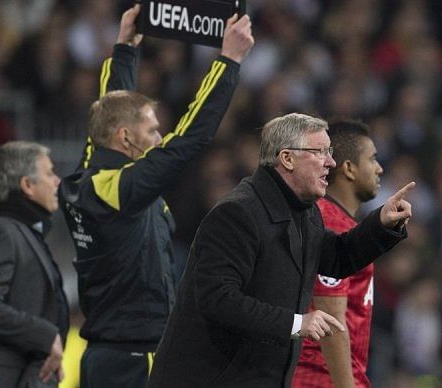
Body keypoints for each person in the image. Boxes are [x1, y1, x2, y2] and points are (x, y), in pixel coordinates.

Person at [58, 4, 254, 388]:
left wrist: (126, 49)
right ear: (126, 140)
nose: (160, 139)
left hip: (110, 355)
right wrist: (228, 61)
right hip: (133, 361)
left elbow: (109, 114)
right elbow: (189, 138)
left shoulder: (91, 176)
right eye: (152, 131)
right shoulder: (120, 190)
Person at [148, 113, 415, 387]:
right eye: (320, 152)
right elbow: (218, 298)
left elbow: (336, 257)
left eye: (330, 152)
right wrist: (297, 323)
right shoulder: (237, 213)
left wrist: (381, 223)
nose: (331, 163)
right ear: (287, 158)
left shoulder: (304, 212)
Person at [292, 119, 383, 388]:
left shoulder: (336, 221)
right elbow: (330, 322)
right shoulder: (331, 225)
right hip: (316, 378)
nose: (379, 168)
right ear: (349, 168)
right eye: (372, 159)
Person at [0, 141, 69, 387]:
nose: (57, 181)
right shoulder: (3, 230)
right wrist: (46, 336)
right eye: (49, 173)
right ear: (27, 185)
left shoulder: (23, 230)